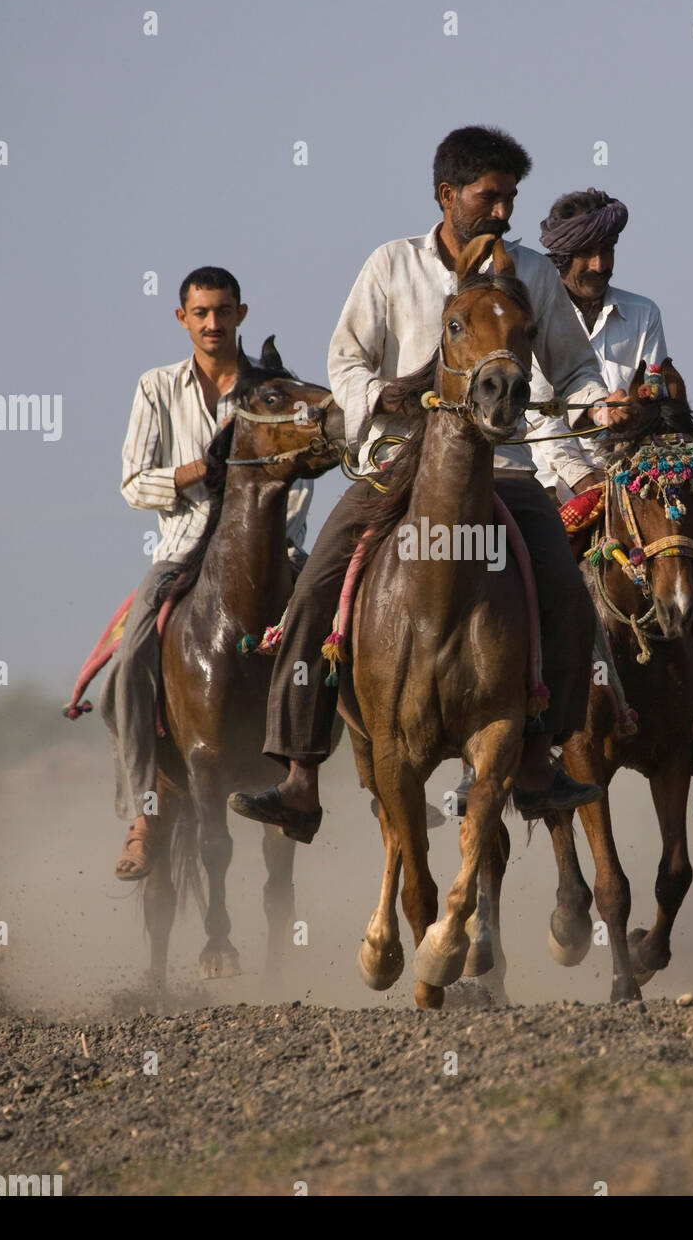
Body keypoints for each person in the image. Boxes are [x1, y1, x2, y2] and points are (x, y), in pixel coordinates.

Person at [229, 126, 634, 844]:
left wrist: (596, 404)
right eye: (490, 197)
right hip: (397, 471)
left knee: (569, 596)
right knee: (314, 589)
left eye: (511, 198)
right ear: (446, 195)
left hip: (505, 474)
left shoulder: (535, 274)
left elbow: (573, 370)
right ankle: (298, 773)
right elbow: (346, 357)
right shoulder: (391, 265)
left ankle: (541, 760)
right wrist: (376, 395)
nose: (504, 213)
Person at [529, 188, 693, 788]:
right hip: (553, 480)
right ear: (562, 256)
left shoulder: (643, 313)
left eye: (608, 248)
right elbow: (538, 417)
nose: (602, 263)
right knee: (515, 578)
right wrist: (586, 478)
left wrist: (644, 425)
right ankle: (514, 731)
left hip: (638, 479)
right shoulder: (528, 317)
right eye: (588, 251)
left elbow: (660, 406)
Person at [105, 266, 311, 879]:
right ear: (182, 319)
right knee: (131, 655)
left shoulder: (271, 390)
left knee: (339, 634)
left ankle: (363, 774)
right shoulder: (156, 388)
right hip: (180, 552)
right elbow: (133, 483)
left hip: (270, 555)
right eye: (201, 313)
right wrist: (198, 470)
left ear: (241, 314)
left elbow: (297, 473)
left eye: (224, 311)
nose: (213, 323)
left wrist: (282, 545)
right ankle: (145, 807)